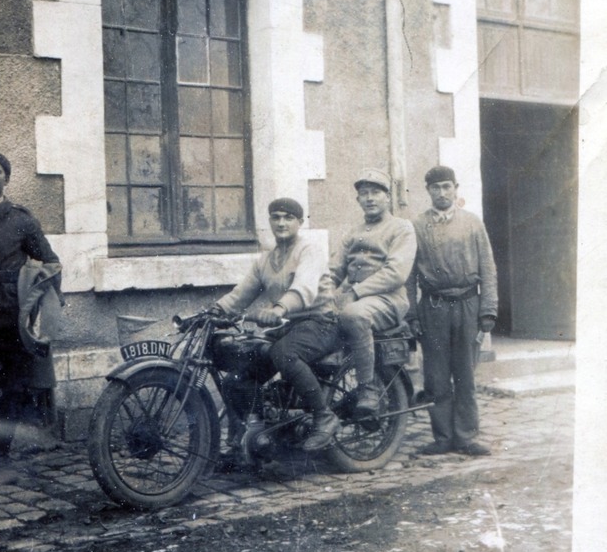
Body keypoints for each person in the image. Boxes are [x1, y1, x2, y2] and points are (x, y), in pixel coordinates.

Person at [212, 198, 340, 454]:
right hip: (289, 326)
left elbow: (303, 287)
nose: (281, 223)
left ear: (299, 223)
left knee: (284, 353)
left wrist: (279, 309)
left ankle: (323, 416)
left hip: (321, 321)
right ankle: (253, 433)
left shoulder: (308, 250)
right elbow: (241, 295)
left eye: (288, 217)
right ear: (269, 221)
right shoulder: (265, 260)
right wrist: (215, 310)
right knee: (237, 376)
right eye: (276, 217)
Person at [0, 150, 63, 471]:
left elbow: (51, 263)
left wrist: (35, 301)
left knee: (13, 387)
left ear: (6, 178)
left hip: (11, 315)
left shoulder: (22, 220)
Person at [406, 165, 498, 457]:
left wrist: (488, 311)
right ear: (428, 191)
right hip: (433, 308)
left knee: (466, 375)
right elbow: (408, 276)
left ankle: (467, 436)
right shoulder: (417, 226)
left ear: (456, 188)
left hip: (468, 306)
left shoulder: (472, 223)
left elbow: (488, 268)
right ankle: (443, 436)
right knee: (435, 376)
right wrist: (411, 315)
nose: (442, 193)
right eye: (436, 188)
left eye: (447, 186)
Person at [328, 168, 417, 426]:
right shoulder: (353, 232)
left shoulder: (401, 228)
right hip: (357, 299)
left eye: (376, 192)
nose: (369, 198)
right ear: (358, 200)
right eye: (364, 194)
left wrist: (354, 292)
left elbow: (396, 273)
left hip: (389, 300)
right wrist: (320, 294)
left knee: (354, 315)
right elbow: (334, 270)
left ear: (387, 197)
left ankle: (368, 389)